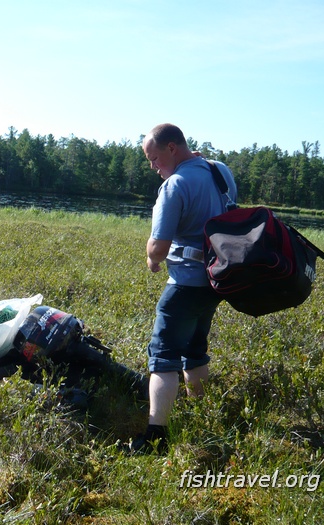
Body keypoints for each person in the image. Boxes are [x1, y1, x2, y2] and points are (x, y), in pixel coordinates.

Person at [129, 123, 238, 455]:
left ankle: (156, 436)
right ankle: (199, 412)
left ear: (172, 148)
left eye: (155, 158)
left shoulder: (175, 185)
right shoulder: (220, 171)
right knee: (195, 348)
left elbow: (158, 247)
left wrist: (151, 260)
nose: (153, 166)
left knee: (163, 356)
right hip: (217, 282)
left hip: (185, 284)